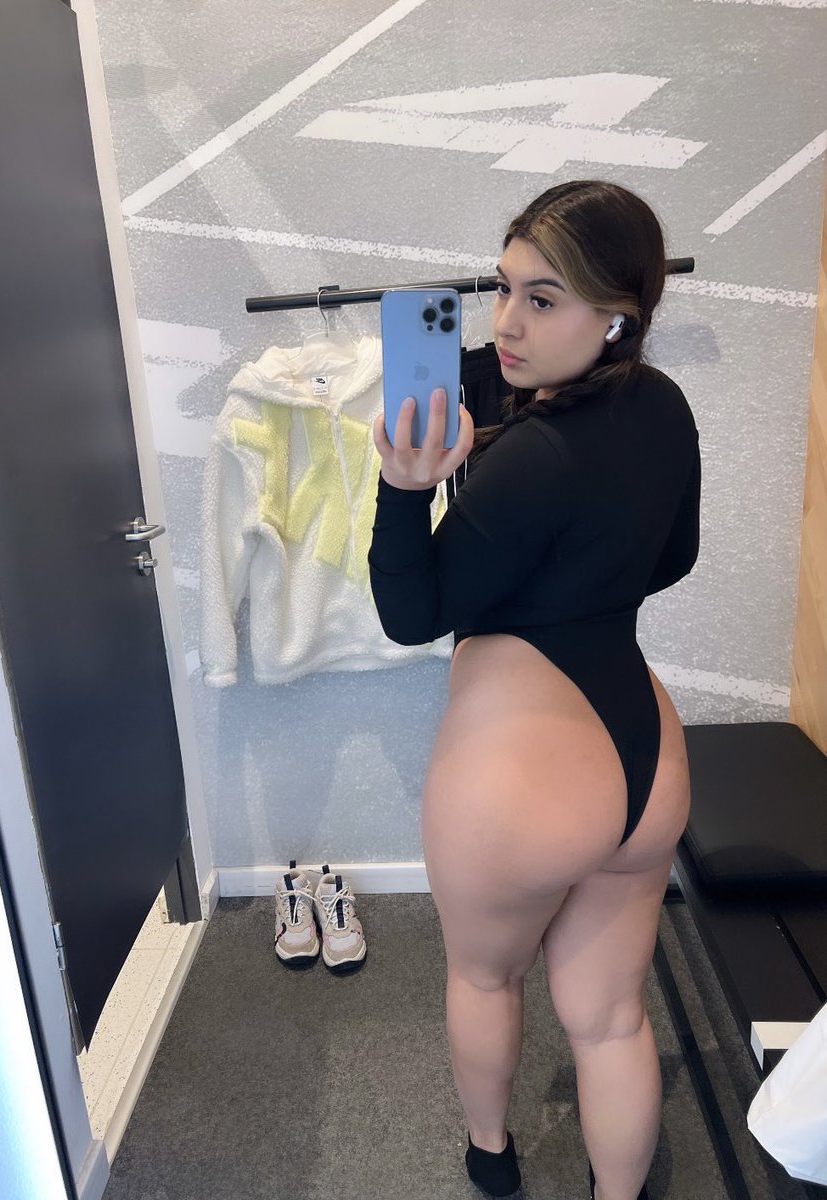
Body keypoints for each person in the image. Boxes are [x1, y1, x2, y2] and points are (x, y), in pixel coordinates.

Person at [368, 179, 701, 1200]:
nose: (505, 323)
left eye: (542, 300)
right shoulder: (661, 404)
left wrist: (404, 489)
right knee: (611, 1019)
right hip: (645, 757)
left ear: (616, 317)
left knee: (484, 975)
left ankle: (492, 1158)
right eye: (502, 288)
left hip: (522, 778)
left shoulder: (532, 459)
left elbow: (412, 614)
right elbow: (674, 557)